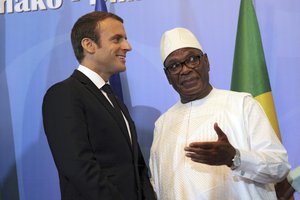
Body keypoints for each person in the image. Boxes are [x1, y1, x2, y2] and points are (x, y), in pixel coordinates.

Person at [149, 27, 290, 200]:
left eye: (192, 59)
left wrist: (234, 158)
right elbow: (158, 186)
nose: (185, 70)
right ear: (168, 76)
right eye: (174, 66)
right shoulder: (162, 124)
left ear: (206, 62)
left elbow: (279, 166)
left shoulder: (242, 105)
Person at [42, 11, 156, 200]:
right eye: (117, 39)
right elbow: (79, 168)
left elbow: (135, 166)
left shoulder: (113, 99)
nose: (127, 47)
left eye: (125, 39)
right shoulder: (64, 94)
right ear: (89, 45)